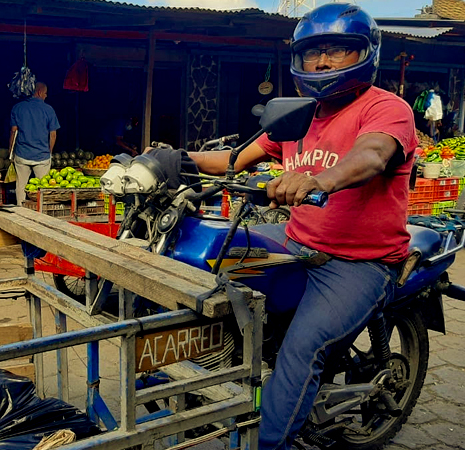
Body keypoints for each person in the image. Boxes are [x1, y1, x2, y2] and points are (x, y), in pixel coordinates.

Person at [178, 4, 417, 449]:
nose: (323, 62)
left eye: (338, 51)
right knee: (212, 268)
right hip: (297, 241)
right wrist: (169, 159)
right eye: (313, 53)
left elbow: (372, 156)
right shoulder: (296, 115)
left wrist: (318, 180)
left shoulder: (387, 109)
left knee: (301, 351)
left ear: (365, 54)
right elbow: (232, 161)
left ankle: (273, 442)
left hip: (359, 261)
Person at [9, 82, 60, 205]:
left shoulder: (18, 108)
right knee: (43, 188)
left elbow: (13, 132)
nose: (46, 96)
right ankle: (41, 212)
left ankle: (21, 211)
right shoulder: (48, 109)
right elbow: (53, 135)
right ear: (39, 92)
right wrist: (49, 152)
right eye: (45, 93)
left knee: (21, 186)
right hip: (42, 157)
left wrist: (11, 152)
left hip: (22, 155)